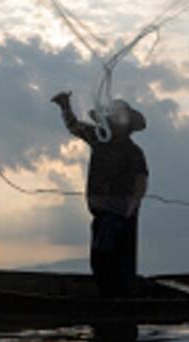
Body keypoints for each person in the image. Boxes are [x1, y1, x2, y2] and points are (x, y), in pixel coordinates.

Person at [51, 91, 149, 298]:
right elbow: (74, 126)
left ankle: (118, 297)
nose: (116, 122)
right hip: (101, 212)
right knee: (101, 257)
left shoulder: (133, 151)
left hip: (121, 213)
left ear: (128, 125)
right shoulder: (98, 139)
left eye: (119, 118)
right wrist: (65, 106)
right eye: (113, 118)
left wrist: (132, 205)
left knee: (116, 258)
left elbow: (141, 182)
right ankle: (110, 295)